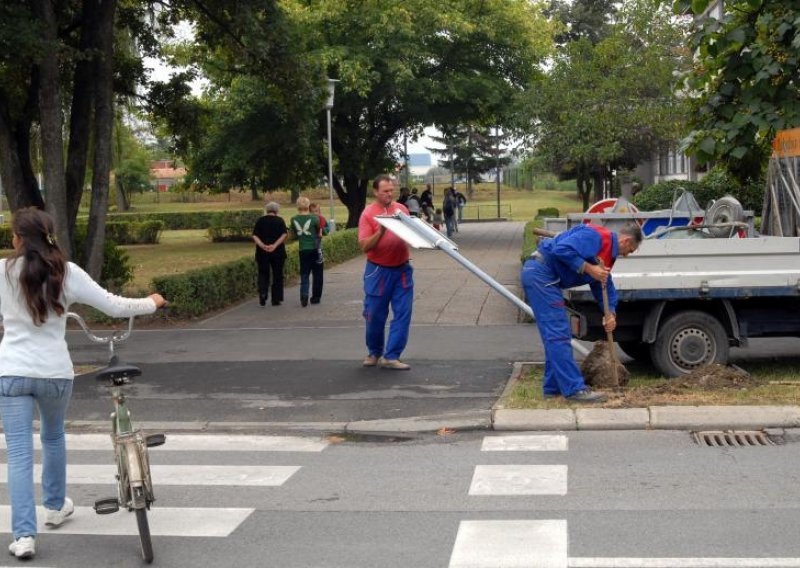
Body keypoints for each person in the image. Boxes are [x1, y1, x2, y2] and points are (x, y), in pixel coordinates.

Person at [0, 208, 167, 560]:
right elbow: (113, 305)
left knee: (18, 453)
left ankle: (25, 537)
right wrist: (150, 303)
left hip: (12, 372)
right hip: (55, 372)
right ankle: (56, 506)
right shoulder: (66, 272)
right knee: (53, 435)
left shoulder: (2, 272)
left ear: (17, 239)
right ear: (48, 235)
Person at [520, 222, 642, 403]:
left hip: (546, 278)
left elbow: (604, 283)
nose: (626, 255)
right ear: (626, 241)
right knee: (558, 335)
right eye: (630, 250)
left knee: (557, 336)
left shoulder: (606, 254)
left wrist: (611, 313)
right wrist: (589, 268)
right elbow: (561, 250)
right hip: (541, 274)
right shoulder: (596, 237)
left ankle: (552, 390)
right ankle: (574, 390)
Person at [358, 174, 413, 371]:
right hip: (378, 271)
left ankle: (392, 356)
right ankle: (374, 352)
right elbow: (364, 246)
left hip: (402, 270)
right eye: (385, 191)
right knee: (374, 315)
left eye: (392, 190)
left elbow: (412, 232)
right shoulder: (367, 214)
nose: (390, 194)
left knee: (403, 313)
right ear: (375, 192)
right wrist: (380, 232)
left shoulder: (401, 209)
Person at [252, 201, 288, 307]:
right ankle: (276, 299)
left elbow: (255, 235)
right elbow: (284, 235)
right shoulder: (280, 220)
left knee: (263, 273)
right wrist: (274, 245)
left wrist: (263, 245)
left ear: (267, 210)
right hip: (278, 252)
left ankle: (263, 294)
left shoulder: (260, 221)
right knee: (278, 274)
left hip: (262, 252)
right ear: (277, 210)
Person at [290, 196, 323, 306]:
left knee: (304, 273)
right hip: (315, 249)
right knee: (317, 274)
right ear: (308, 205)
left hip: (303, 249)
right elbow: (318, 232)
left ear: (297, 206)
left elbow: (293, 235)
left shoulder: (294, 219)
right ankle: (315, 298)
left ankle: (304, 295)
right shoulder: (314, 218)